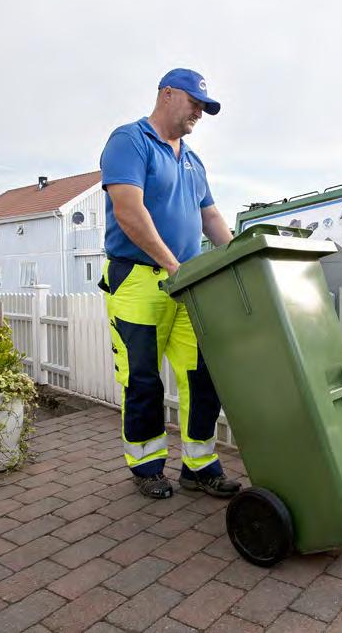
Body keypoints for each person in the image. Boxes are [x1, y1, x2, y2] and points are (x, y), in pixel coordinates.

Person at [98, 68, 240, 500]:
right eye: (194, 103)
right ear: (166, 95)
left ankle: (199, 465)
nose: (199, 112)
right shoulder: (130, 141)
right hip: (138, 280)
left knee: (204, 374)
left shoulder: (193, 160)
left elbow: (211, 217)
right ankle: (146, 465)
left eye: (204, 107)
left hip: (188, 282)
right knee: (142, 378)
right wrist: (172, 264)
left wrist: (236, 261)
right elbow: (128, 210)